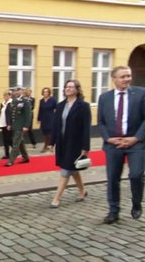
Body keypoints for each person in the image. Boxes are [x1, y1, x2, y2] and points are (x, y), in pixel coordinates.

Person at [97, 66, 145, 224]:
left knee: (136, 174)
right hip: (113, 144)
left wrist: (136, 138)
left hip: (135, 143)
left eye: (128, 76)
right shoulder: (104, 98)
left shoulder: (140, 94)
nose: (127, 79)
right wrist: (108, 138)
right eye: (123, 76)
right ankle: (113, 211)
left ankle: (137, 203)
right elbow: (101, 122)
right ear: (114, 79)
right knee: (112, 178)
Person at [48, 80, 91, 208]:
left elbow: (86, 127)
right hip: (62, 141)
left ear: (77, 89)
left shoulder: (83, 106)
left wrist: (86, 146)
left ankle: (56, 198)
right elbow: (56, 125)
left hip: (75, 143)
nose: (69, 89)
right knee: (72, 168)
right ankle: (82, 191)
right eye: (67, 87)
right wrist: (52, 142)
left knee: (66, 169)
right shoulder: (61, 105)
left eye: (72, 87)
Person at [5, 86, 32, 167]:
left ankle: (11, 160)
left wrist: (26, 125)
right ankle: (25, 157)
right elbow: (11, 113)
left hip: (21, 125)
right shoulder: (14, 100)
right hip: (15, 125)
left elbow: (28, 114)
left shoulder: (25, 101)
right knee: (20, 142)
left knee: (15, 143)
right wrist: (9, 124)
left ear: (21, 91)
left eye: (18, 90)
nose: (16, 92)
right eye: (15, 91)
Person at [37, 87, 58, 153]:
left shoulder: (53, 100)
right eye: (44, 92)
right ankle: (48, 145)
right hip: (44, 118)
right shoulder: (41, 101)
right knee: (45, 133)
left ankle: (48, 146)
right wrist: (39, 119)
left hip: (51, 117)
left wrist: (56, 117)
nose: (45, 93)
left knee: (50, 133)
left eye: (47, 92)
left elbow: (56, 109)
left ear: (49, 93)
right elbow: (40, 110)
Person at [0, 90, 13, 159]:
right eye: (4, 95)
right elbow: (1, 113)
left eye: (7, 95)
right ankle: (7, 154)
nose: (5, 97)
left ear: (10, 96)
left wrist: (10, 124)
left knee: (9, 139)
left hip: (8, 124)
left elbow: (11, 114)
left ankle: (16, 149)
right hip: (2, 123)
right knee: (5, 140)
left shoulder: (11, 103)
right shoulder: (2, 103)